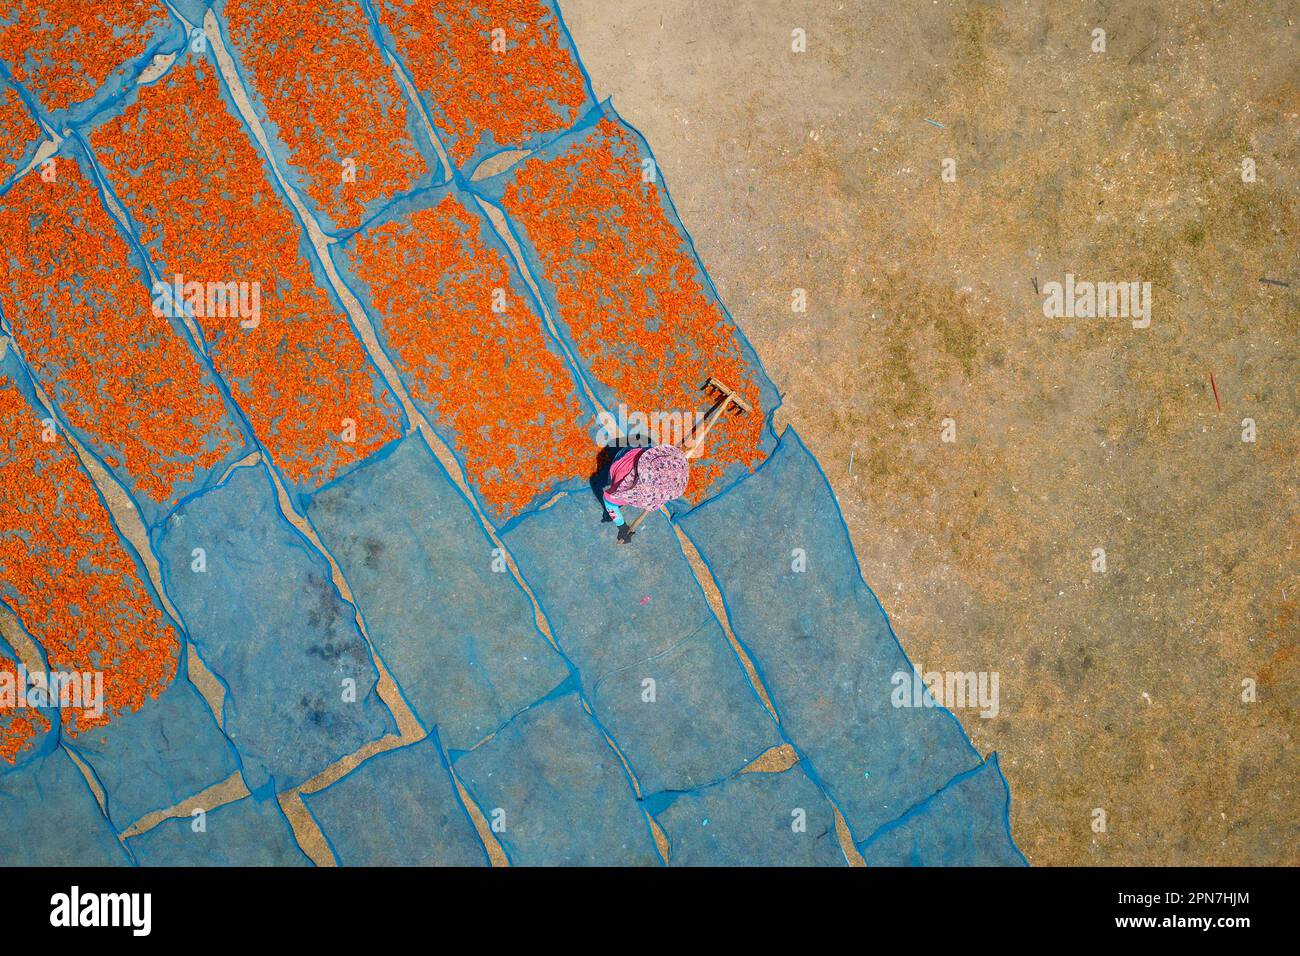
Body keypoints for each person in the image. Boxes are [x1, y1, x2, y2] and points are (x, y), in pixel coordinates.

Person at [602, 443, 690, 542]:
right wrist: (621, 525)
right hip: (623, 457)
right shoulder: (626, 487)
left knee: (649, 447)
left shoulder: (665, 475)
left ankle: (643, 448)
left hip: (644, 453)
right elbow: (608, 501)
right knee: (611, 480)